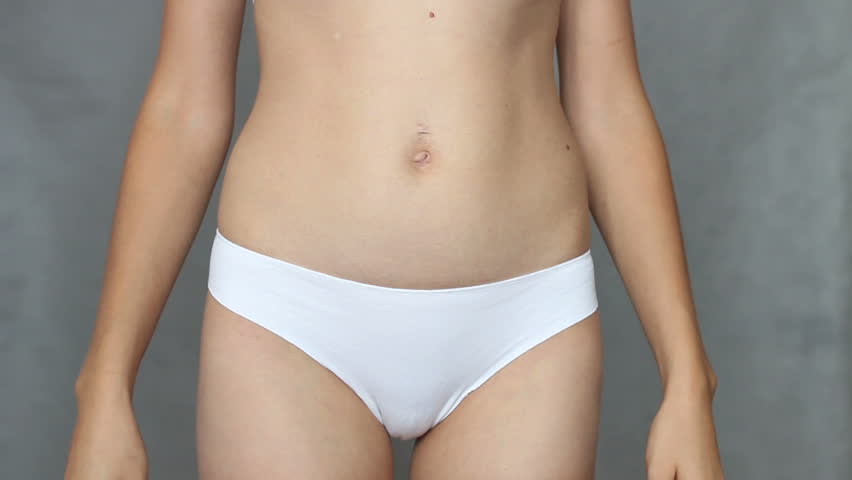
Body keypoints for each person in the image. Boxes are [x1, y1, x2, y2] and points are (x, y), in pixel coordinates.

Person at [65, 0, 724, 479]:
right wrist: (105, 387)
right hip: (289, 316)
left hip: (524, 328)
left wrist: (687, 379)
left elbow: (608, 104)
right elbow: (184, 105)